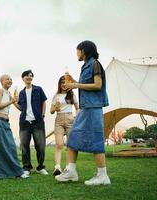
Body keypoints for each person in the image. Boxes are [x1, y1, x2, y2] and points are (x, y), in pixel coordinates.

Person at [55, 40, 111, 186]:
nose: (77, 54)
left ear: (84, 50)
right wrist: (74, 81)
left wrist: (75, 84)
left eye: (78, 51)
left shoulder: (95, 64)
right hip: (86, 107)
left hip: (93, 107)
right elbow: (86, 85)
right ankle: (71, 172)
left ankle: (102, 176)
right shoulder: (85, 66)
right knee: (73, 136)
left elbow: (98, 85)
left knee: (96, 140)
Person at [0, 74, 29, 179]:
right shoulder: (0, 91)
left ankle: (15, 172)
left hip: (5, 123)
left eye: (11, 79)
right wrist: (11, 101)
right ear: (2, 81)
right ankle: (5, 174)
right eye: (7, 79)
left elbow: (15, 105)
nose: (10, 80)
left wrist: (15, 101)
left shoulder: (9, 93)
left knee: (11, 147)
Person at [14, 70, 48, 176]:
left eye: (31, 76)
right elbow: (21, 108)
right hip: (24, 122)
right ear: (23, 78)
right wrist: (14, 103)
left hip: (37, 121)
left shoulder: (38, 89)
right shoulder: (21, 93)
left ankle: (40, 167)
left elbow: (44, 102)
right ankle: (26, 168)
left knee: (41, 145)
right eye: (27, 76)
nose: (29, 77)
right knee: (24, 145)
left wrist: (42, 115)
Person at [50, 75, 78, 176]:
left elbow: (77, 107)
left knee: (70, 145)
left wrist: (76, 116)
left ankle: (68, 167)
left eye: (65, 82)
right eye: (61, 82)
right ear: (59, 84)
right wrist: (55, 108)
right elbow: (51, 111)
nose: (63, 84)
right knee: (59, 144)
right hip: (59, 120)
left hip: (71, 119)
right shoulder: (56, 95)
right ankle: (57, 167)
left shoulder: (72, 95)